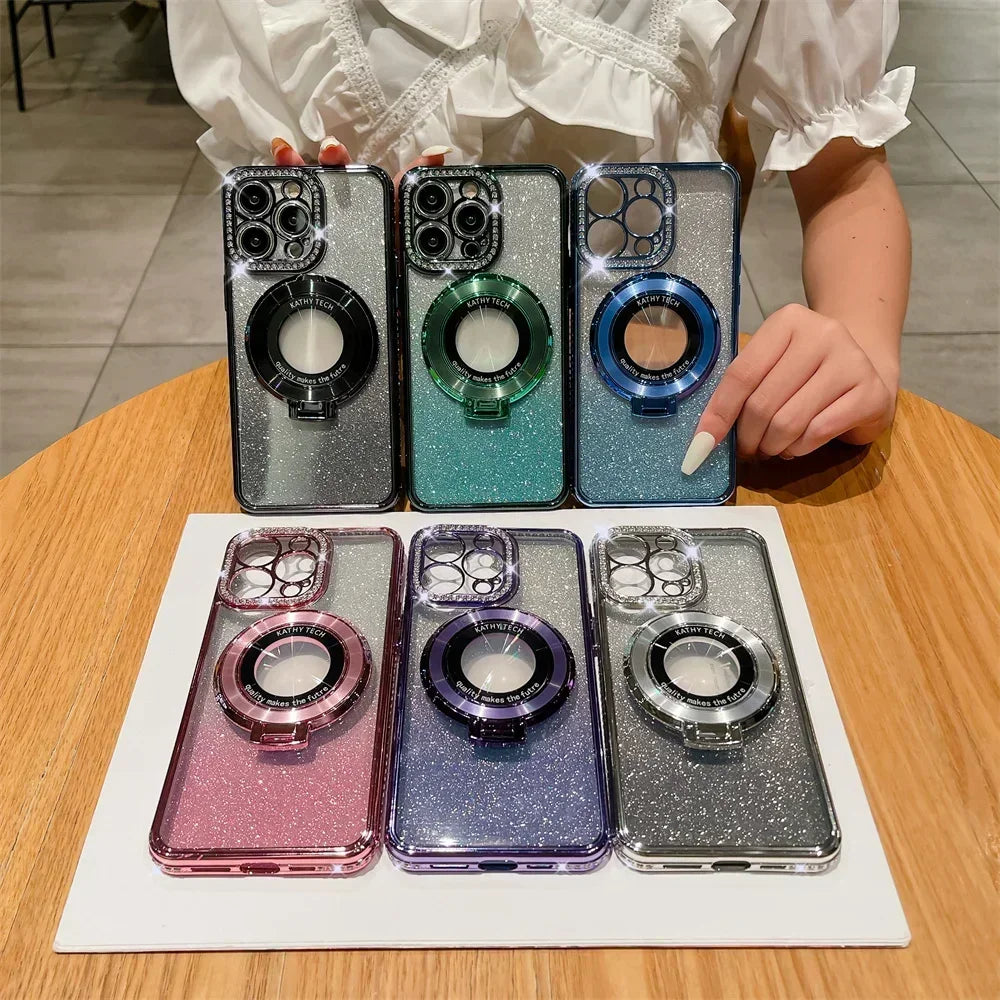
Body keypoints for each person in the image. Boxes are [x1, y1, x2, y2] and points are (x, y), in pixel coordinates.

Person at [169, 0, 913, 473]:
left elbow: (844, 172)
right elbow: (264, 203)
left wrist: (863, 345)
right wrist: (323, 237)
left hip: (643, 410)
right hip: (358, 419)